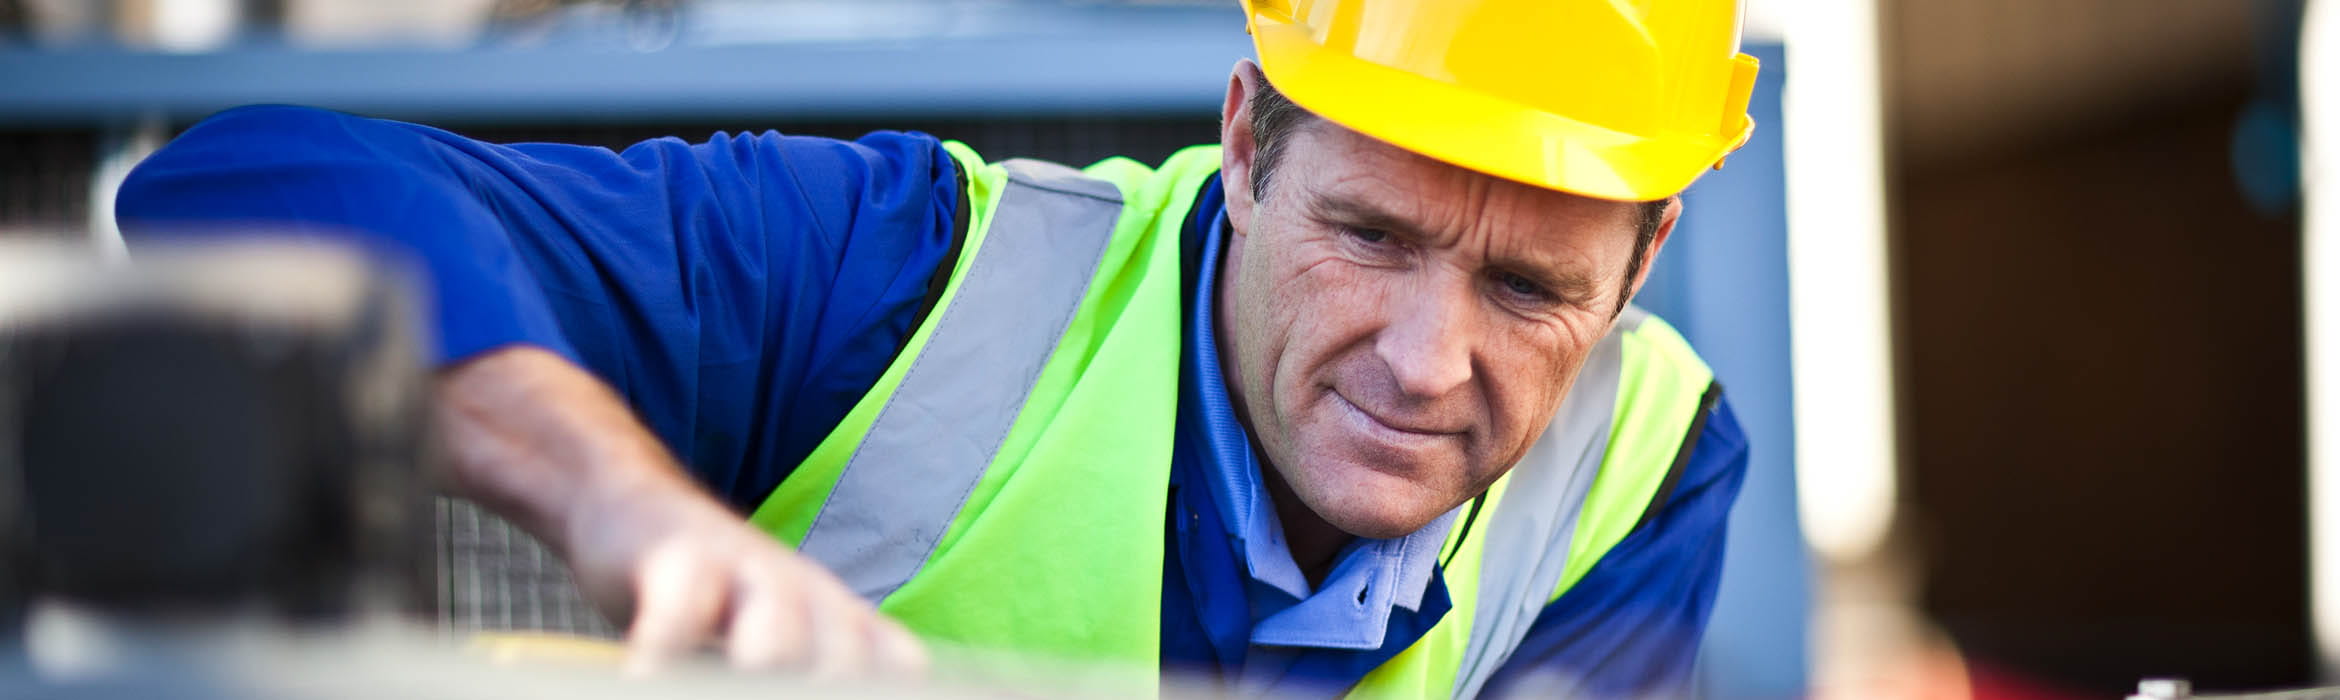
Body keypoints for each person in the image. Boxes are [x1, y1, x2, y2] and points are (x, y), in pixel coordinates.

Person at [114, 0, 1758, 696]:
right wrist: (624, 503)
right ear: (1247, 144)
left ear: (1645, 259)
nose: (1421, 361)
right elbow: (249, 183)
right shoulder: (900, 276)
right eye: (1372, 238)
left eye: (1530, 291)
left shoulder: (1647, 466)